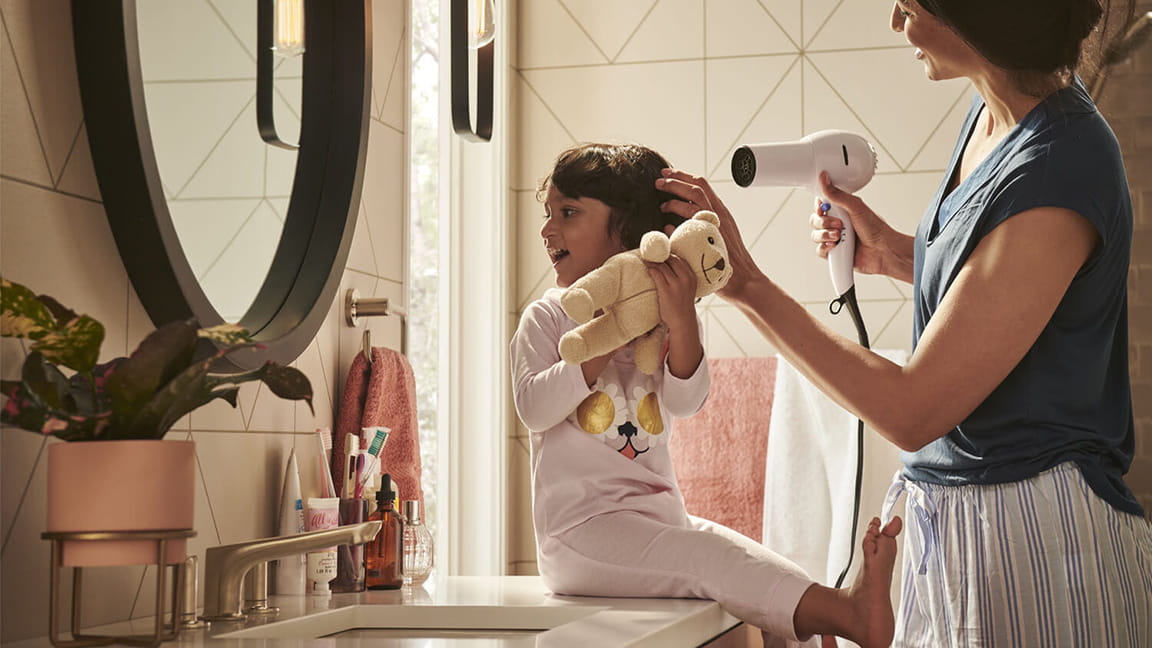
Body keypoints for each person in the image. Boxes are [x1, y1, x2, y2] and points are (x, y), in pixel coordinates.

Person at [657, 1, 1152, 645]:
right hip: (957, 527)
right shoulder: (992, 119)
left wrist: (746, 285)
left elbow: (914, 408)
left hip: (1037, 540)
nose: (895, 22)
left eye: (910, 5)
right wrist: (893, 252)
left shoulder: (1063, 162)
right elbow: (1003, 291)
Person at [510, 142, 903, 648]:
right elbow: (534, 407)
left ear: (629, 231)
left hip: (663, 519)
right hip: (581, 535)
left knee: (762, 567)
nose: (547, 229)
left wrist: (679, 319)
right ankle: (849, 614)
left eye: (568, 213)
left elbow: (685, 401)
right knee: (711, 561)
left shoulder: (668, 313)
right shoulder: (548, 317)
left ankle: (825, 625)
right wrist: (605, 339)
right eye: (549, 213)